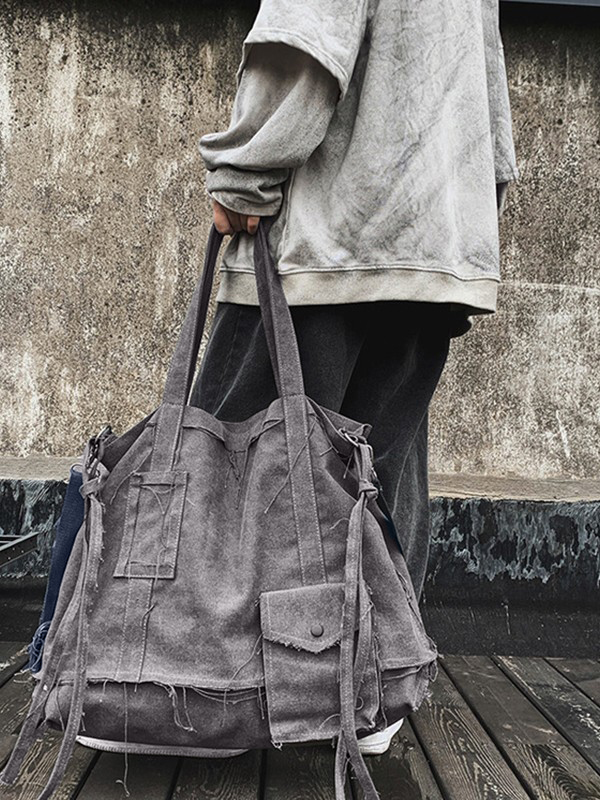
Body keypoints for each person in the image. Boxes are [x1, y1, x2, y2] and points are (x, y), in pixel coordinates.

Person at [190, 0, 518, 755]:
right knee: (377, 471)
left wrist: (241, 172)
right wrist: (469, 212)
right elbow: (487, 88)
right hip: (434, 236)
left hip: (327, 239)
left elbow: (306, 39)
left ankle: (189, 680)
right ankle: (369, 691)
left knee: (225, 461)